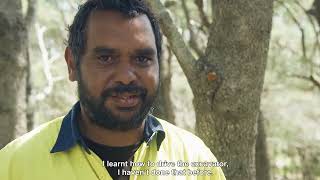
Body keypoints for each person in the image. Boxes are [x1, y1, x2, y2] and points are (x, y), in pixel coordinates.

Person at [0, 0, 226, 179]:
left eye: (142, 58)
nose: (126, 77)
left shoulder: (195, 162)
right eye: (106, 58)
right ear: (72, 64)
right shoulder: (13, 165)